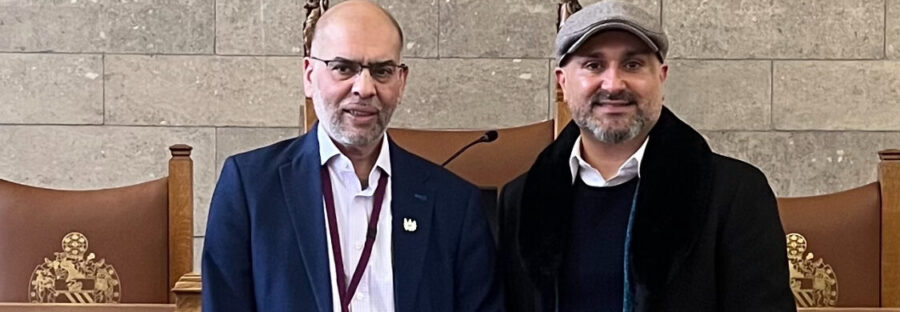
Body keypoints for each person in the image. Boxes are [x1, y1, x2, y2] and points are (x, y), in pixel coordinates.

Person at [202, 1, 501, 311]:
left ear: (401, 82)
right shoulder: (250, 190)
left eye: (382, 71)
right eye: (343, 68)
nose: (364, 88)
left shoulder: (455, 204)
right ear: (309, 75)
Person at [498, 1, 796, 311]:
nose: (613, 85)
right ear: (563, 81)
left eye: (633, 64)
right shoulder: (520, 201)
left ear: (661, 77)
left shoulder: (734, 193)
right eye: (593, 65)